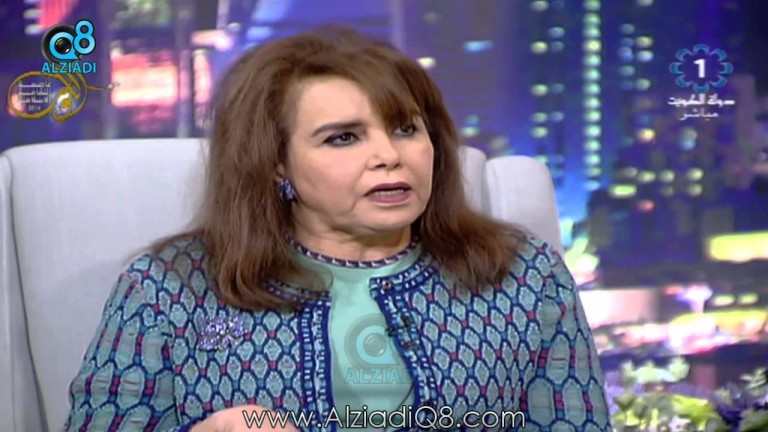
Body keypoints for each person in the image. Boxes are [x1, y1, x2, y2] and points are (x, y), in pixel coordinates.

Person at [63, 26, 612, 432]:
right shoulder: (167, 288)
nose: (388, 156)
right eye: (343, 138)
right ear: (276, 163)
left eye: (405, 129)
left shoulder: (524, 276)